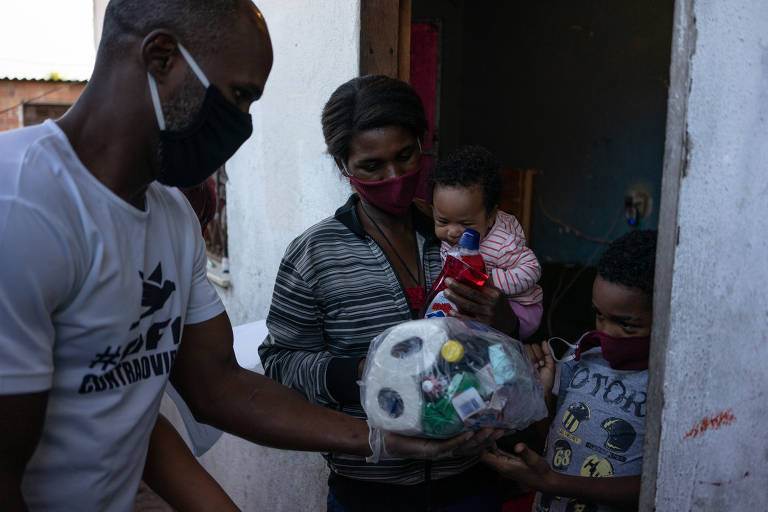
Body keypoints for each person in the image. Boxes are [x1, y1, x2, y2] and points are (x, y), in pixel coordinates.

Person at [0, 3, 488, 510]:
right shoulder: (20, 204)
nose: (243, 127)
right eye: (238, 97)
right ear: (162, 56)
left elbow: (212, 389)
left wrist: (376, 438)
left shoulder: (172, 218)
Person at [259, 75, 519, 512]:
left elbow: (512, 340)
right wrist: (361, 371)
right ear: (343, 166)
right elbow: (280, 364)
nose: (395, 177)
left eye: (405, 156)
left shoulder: (464, 237)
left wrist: (503, 315)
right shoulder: (314, 254)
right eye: (371, 166)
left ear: (423, 144)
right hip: (368, 491)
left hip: (472, 481)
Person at [482, 229, 657, 511]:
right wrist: (541, 400)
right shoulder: (583, 352)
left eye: (626, 324)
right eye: (599, 315)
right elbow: (558, 435)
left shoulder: (666, 382)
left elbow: (657, 486)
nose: (605, 332)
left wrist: (554, 483)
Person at [430, 145, 543, 339]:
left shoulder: (502, 243)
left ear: (490, 217)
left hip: (520, 310)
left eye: (465, 224)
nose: (453, 232)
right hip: (480, 306)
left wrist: (492, 282)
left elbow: (532, 269)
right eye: (443, 221)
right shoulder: (450, 237)